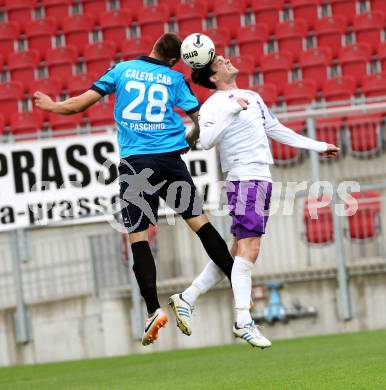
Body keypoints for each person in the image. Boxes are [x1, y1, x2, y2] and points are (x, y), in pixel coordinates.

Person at [33, 33, 236, 347]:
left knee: (139, 238)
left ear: (154, 46)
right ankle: (241, 286)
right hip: (170, 162)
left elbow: (78, 106)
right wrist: (189, 141)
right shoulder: (175, 78)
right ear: (174, 59)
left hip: (136, 167)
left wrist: (51, 106)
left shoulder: (122, 70)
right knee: (201, 224)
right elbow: (202, 120)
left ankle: (153, 310)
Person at [170, 55, 339, 348]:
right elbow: (206, 139)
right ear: (213, 77)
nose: (226, 60)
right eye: (220, 62)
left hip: (261, 177)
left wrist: (317, 146)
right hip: (244, 177)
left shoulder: (252, 96)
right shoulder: (215, 105)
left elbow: (276, 129)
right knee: (251, 247)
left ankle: (187, 297)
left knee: (237, 250)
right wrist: (233, 111)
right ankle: (243, 321)